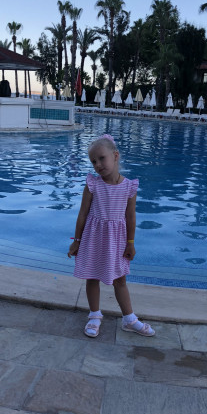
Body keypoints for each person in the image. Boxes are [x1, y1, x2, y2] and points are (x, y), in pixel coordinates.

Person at [68, 134, 155, 338]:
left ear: (115, 156)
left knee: (120, 279)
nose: (98, 165)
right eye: (93, 161)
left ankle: (129, 319)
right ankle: (94, 315)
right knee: (92, 277)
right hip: (93, 238)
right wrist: (76, 241)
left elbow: (130, 217)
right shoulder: (93, 185)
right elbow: (82, 214)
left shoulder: (129, 187)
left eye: (101, 158)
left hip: (116, 241)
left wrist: (130, 243)